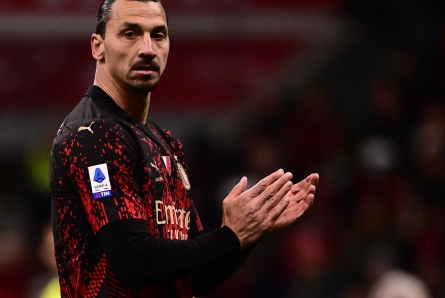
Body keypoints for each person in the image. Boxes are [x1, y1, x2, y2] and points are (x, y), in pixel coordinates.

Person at [49, 0, 319, 297]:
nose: (147, 49)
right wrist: (231, 236)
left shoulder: (166, 143)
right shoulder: (94, 134)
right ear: (98, 46)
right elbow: (135, 262)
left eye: (158, 35)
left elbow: (194, 278)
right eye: (130, 34)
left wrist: (249, 233)